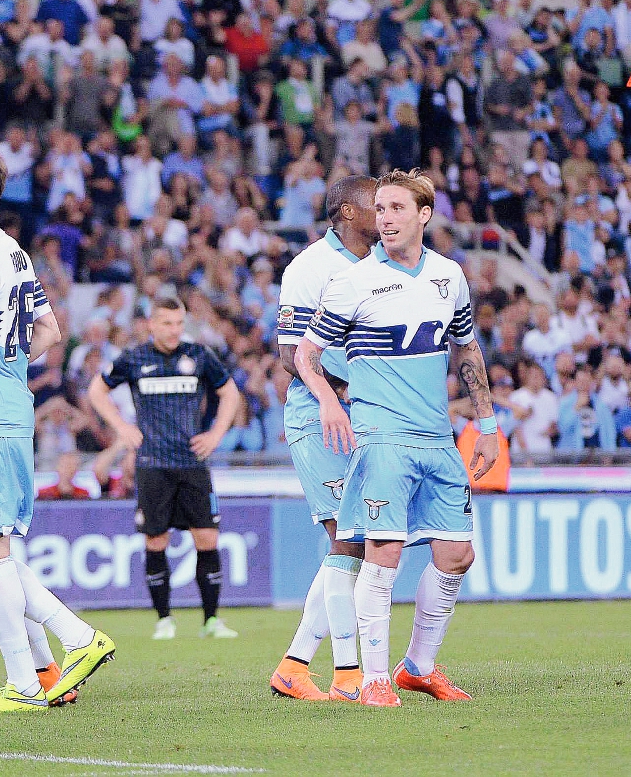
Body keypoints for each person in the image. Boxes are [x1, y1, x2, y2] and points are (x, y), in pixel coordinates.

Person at [296, 169, 498, 707]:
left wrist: (489, 425)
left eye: (396, 209)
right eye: (379, 209)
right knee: (383, 554)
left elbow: (468, 352)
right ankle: (376, 679)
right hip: (381, 435)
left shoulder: (449, 276)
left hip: (437, 437)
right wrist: (327, 399)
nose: (384, 218)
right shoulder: (354, 281)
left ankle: (418, 668)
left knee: (457, 554)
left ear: (423, 214)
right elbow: (305, 354)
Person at [0, 139, 114, 711]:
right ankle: (41, 669)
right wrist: (12, 371)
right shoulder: (13, 253)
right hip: (11, 410)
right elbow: (51, 332)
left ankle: (46, 663)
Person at [268, 176, 377, 702]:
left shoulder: (383, 264)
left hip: (369, 420)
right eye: (374, 202)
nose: (384, 209)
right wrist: (343, 392)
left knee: (354, 543)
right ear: (349, 213)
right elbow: (290, 354)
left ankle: (294, 666)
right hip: (319, 415)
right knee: (348, 539)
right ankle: (349, 673)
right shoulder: (310, 267)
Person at [89, 297, 242, 640]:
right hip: (152, 464)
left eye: (179, 323)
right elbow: (96, 391)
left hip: (192, 463)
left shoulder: (199, 355)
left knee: (207, 538)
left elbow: (230, 393)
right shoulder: (133, 358)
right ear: (151, 325)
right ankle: (164, 619)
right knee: (155, 541)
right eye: (167, 323)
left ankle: (211, 620)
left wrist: (216, 434)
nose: (174, 330)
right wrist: (121, 427)